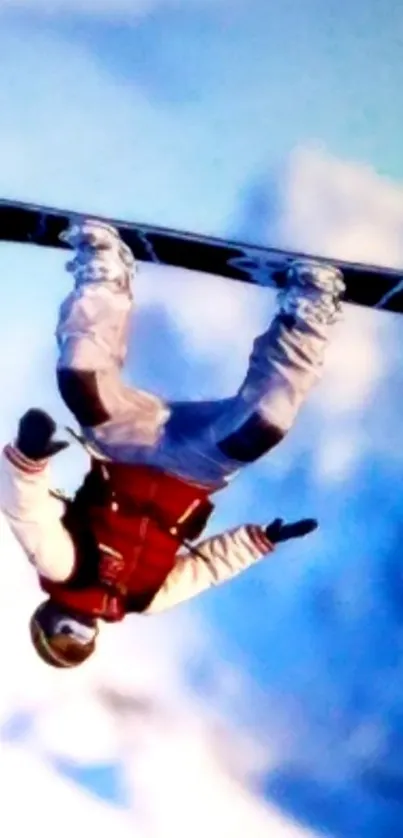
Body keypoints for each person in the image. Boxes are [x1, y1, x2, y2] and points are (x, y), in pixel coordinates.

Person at [0, 220, 345, 668]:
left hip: (123, 452)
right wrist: (258, 540)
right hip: (191, 469)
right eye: (81, 639)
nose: (79, 627)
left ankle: (104, 273)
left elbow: (27, 513)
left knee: (81, 382)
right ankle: (305, 317)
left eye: (64, 633)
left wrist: (28, 460)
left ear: (46, 617)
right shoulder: (144, 598)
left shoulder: (61, 567)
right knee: (261, 426)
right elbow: (206, 569)